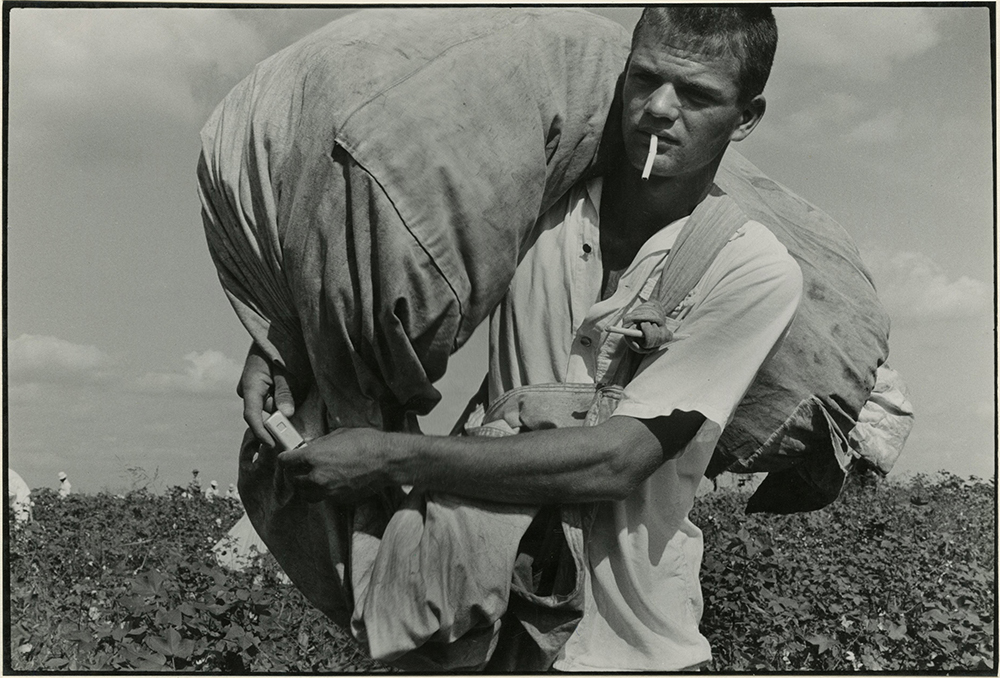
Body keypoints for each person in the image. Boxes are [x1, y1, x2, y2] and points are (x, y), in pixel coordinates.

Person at [239, 6, 801, 670]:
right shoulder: (538, 205)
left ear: (746, 118)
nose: (658, 109)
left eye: (697, 95)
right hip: (479, 618)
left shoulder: (749, 268)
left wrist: (390, 458)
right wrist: (286, 339)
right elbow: (394, 260)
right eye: (645, 79)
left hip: (628, 646)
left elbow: (617, 461)